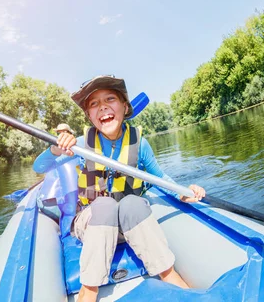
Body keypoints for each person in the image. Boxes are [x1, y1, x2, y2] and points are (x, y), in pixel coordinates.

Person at [33, 75, 205, 302]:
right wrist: (56, 149)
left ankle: (168, 273)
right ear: (90, 117)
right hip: (93, 223)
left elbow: (159, 177)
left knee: (133, 203)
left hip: (128, 224)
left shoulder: (139, 142)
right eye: (94, 104)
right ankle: (89, 290)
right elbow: (39, 166)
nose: (103, 106)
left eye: (110, 99)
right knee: (104, 204)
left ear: (125, 107)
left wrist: (183, 191)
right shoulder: (83, 144)